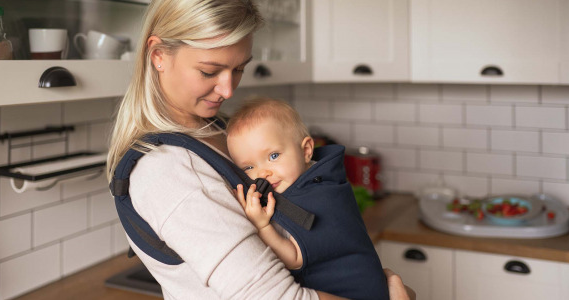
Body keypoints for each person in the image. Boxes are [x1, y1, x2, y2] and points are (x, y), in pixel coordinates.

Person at [106, 0, 413, 299]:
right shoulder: (169, 170)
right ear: (159, 55)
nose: (228, 90)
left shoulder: (223, 132)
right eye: (209, 71)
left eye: (238, 69)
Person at [226, 98, 388, 300]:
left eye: (274, 156)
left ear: (306, 150)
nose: (263, 173)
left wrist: (262, 227)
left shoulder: (322, 196)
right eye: (249, 167)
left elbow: (294, 258)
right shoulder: (306, 184)